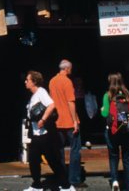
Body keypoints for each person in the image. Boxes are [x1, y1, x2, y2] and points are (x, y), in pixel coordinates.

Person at [24, 70, 73, 191]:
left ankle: (66, 186)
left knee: (53, 160)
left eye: (27, 80)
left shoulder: (41, 92)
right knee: (33, 160)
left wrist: (43, 120)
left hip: (45, 134)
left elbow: (52, 105)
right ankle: (36, 185)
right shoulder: (33, 96)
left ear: (34, 82)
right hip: (36, 134)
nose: (25, 82)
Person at [49, 59, 82, 188]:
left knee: (59, 152)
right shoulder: (67, 82)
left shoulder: (52, 81)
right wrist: (75, 121)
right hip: (69, 120)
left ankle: (61, 178)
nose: (71, 70)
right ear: (67, 69)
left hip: (57, 121)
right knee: (75, 150)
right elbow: (71, 102)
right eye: (71, 68)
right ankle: (74, 179)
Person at [100, 73, 129, 191]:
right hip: (127, 131)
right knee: (127, 159)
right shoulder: (127, 94)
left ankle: (115, 181)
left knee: (113, 157)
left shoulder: (108, 95)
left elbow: (105, 114)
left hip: (113, 132)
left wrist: (102, 110)